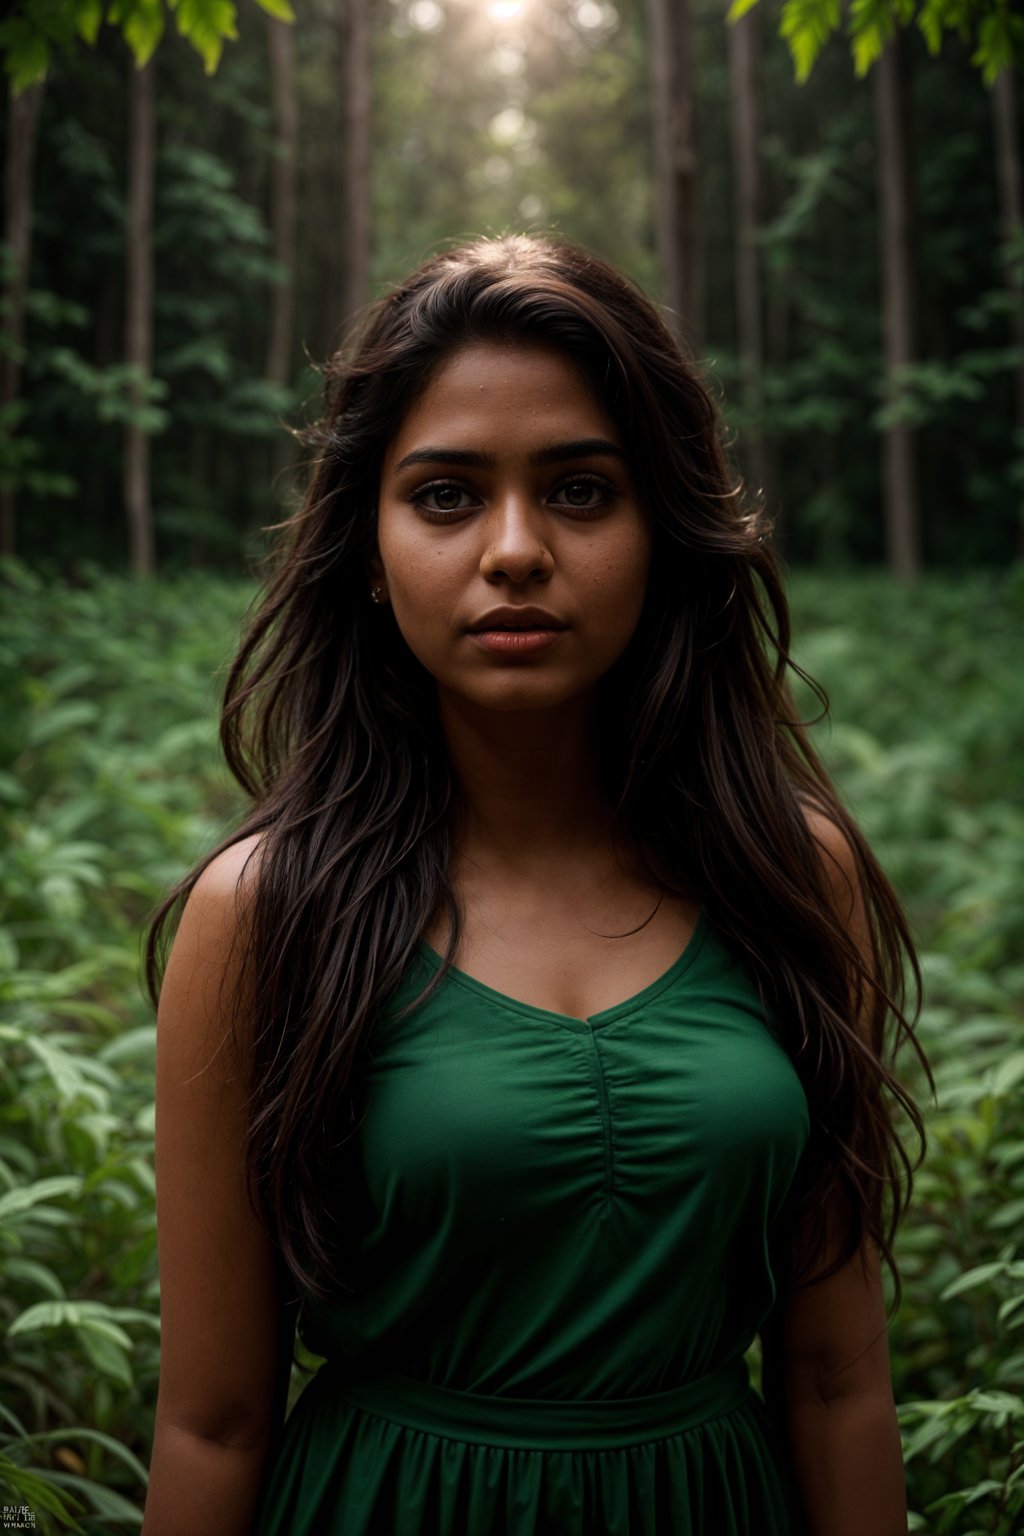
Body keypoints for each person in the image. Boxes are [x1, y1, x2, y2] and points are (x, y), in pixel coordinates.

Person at [140, 234, 925, 1536]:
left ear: (661, 528)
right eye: (446, 495)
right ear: (370, 545)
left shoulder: (791, 878)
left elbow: (839, 1382)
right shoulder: (267, 915)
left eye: (578, 490)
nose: (513, 550)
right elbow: (212, 1423)